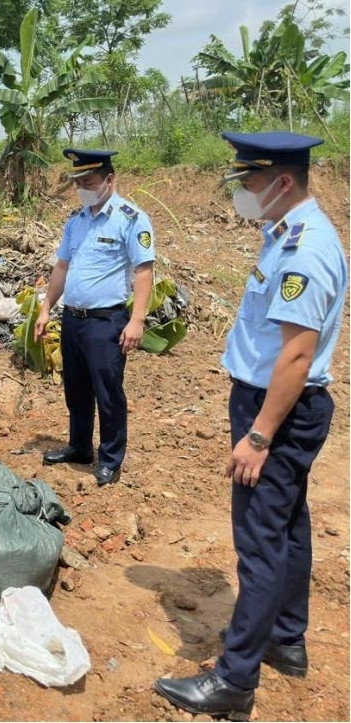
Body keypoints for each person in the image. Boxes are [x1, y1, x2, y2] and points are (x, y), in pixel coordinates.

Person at [154, 132, 347, 720]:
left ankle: (233, 682)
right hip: (282, 407)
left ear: (282, 182)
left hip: (277, 410)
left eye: (249, 181)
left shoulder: (305, 250)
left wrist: (259, 434)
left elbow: (294, 355)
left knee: (260, 543)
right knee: (288, 526)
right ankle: (286, 639)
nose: (242, 192)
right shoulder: (285, 234)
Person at [34, 149, 155, 487]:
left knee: (108, 392)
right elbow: (62, 266)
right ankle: (80, 446)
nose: (83, 188)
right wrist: (46, 308)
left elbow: (144, 271)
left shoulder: (130, 219)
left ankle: (111, 458)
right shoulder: (77, 220)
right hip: (73, 319)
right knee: (76, 389)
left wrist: (137, 320)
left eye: (89, 182)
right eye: (79, 183)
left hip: (106, 322)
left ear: (109, 180)